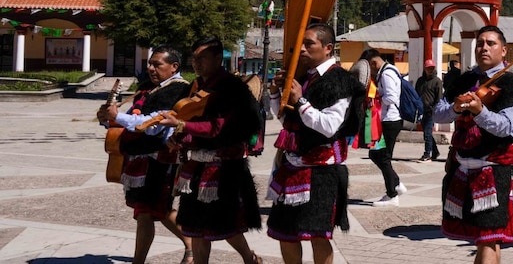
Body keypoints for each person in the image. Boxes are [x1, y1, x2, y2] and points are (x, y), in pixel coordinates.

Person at [433, 25, 513, 264]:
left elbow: (506, 127)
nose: (484, 47)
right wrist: (455, 107)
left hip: (493, 170)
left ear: (504, 51)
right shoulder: (466, 80)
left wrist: (480, 111)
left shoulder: (511, 83)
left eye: (491, 43)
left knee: (487, 237)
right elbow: (438, 114)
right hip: (463, 168)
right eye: (480, 43)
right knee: (487, 239)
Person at [266, 23, 364, 264]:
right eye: (300, 44)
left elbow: (329, 126)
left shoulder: (340, 80)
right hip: (291, 165)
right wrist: (275, 94)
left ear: (328, 48)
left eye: (309, 44)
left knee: (317, 235)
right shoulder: (302, 76)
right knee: (286, 234)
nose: (302, 49)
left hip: (322, 170)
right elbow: (285, 119)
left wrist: (300, 101)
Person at [158, 37, 261, 264]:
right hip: (195, 166)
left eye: (202, 58)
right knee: (196, 228)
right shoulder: (196, 86)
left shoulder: (232, 89)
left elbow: (218, 127)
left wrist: (181, 126)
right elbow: (192, 121)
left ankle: (249, 258)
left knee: (225, 225)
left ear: (218, 58)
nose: (196, 63)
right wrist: (178, 138)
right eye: (194, 58)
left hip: (223, 169)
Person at [98, 46, 193, 264]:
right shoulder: (150, 88)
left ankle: (138, 261)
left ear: (174, 67)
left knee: (145, 212)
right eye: (150, 63)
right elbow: (131, 117)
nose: (150, 68)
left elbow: (151, 125)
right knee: (158, 210)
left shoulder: (178, 90)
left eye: (157, 64)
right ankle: (191, 246)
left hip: (161, 159)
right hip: (142, 159)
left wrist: (119, 117)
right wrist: (108, 117)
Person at [365, 49, 406, 206]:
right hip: (387, 120)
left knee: (382, 156)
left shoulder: (387, 73)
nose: (371, 72)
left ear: (374, 63)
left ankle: (392, 194)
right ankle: (396, 184)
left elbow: (391, 97)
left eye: (370, 67)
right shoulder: (387, 71)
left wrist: (375, 98)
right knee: (376, 155)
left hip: (390, 121)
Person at [416, 59, 444, 161]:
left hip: (431, 111)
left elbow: (439, 97)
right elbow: (416, 94)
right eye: (428, 68)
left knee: (427, 133)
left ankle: (427, 154)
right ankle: (435, 151)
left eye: (432, 68)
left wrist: (436, 108)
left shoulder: (437, 81)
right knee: (427, 133)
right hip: (421, 110)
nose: (430, 70)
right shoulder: (420, 81)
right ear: (425, 68)